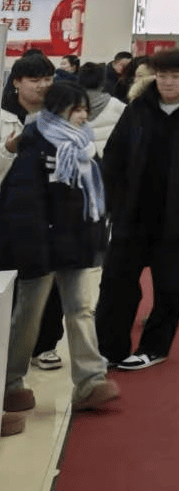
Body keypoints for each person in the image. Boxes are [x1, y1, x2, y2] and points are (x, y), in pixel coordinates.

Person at [95, 48, 179, 371]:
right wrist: (111, 203)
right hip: (133, 214)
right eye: (162, 75)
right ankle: (110, 348)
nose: (168, 82)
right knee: (116, 283)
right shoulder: (138, 108)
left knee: (169, 287)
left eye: (175, 76)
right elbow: (114, 156)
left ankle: (154, 347)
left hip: (177, 218)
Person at [2, 82, 120, 419]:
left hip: (76, 245)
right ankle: (10, 382)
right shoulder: (33, 143)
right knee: (28, 315)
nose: (82, 115)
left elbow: (94, 197)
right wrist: (34, 248)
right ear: (56, 111)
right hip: (40, 247)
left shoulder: (84, 145)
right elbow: (23, 203)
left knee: (81, 309)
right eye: (75, 109)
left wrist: (96, 239)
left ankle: (90, 381)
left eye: (84, 108)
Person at [1, 53, 67, 371]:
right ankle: (7, 345)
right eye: (34, 80)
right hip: (7, 212)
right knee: (10, 280)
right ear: (16, 82)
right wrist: (8, 150)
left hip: (49, 212)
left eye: (48, 79)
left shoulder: (61, 116)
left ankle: (46, 345)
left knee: (50, 281)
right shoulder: (4, 118)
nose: (42, 86)